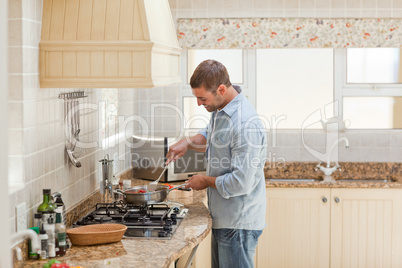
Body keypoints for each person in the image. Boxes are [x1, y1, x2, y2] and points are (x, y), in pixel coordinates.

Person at [166, 59, 267, 268]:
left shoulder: (245, 124)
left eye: (202, 98)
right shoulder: (222, 110)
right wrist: (188, 142)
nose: (199, 104)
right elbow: (211, 135)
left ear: (221, 89)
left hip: (238, 223)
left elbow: (241, 182)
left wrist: (204, 180)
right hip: (225, 218)